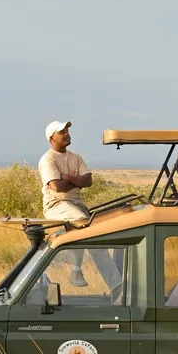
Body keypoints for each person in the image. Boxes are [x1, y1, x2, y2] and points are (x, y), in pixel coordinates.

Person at [38, 119, 121, 291]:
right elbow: (57, 187)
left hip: (76, 204)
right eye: (61, 132)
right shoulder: (48, 160)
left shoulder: (76, 157)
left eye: (67, 131)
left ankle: (118, 287)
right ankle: (75, 270)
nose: (67, 134)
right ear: (51, 138)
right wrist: (77, 182)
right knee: (82, 222)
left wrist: (67, 177)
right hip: (57, 205)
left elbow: (88, 181)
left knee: (97, 240)